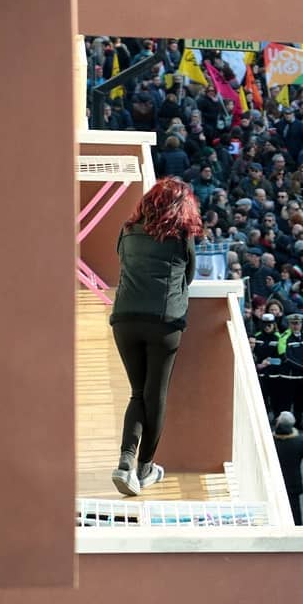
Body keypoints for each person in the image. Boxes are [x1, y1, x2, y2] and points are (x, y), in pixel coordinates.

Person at [109, 177, 202, 496]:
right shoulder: (181, 235)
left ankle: (125, 462)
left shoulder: (128, 229)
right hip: (164, 320)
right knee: (155, 396)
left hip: (124, 319)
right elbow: (188, 277)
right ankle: (145, 468)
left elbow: (122, 261)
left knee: (137, 393)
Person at [273, 410, 303, 525]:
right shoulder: (299, 441)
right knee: (295, 512)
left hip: (275, 482)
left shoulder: (272, 440)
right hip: (293, 483)